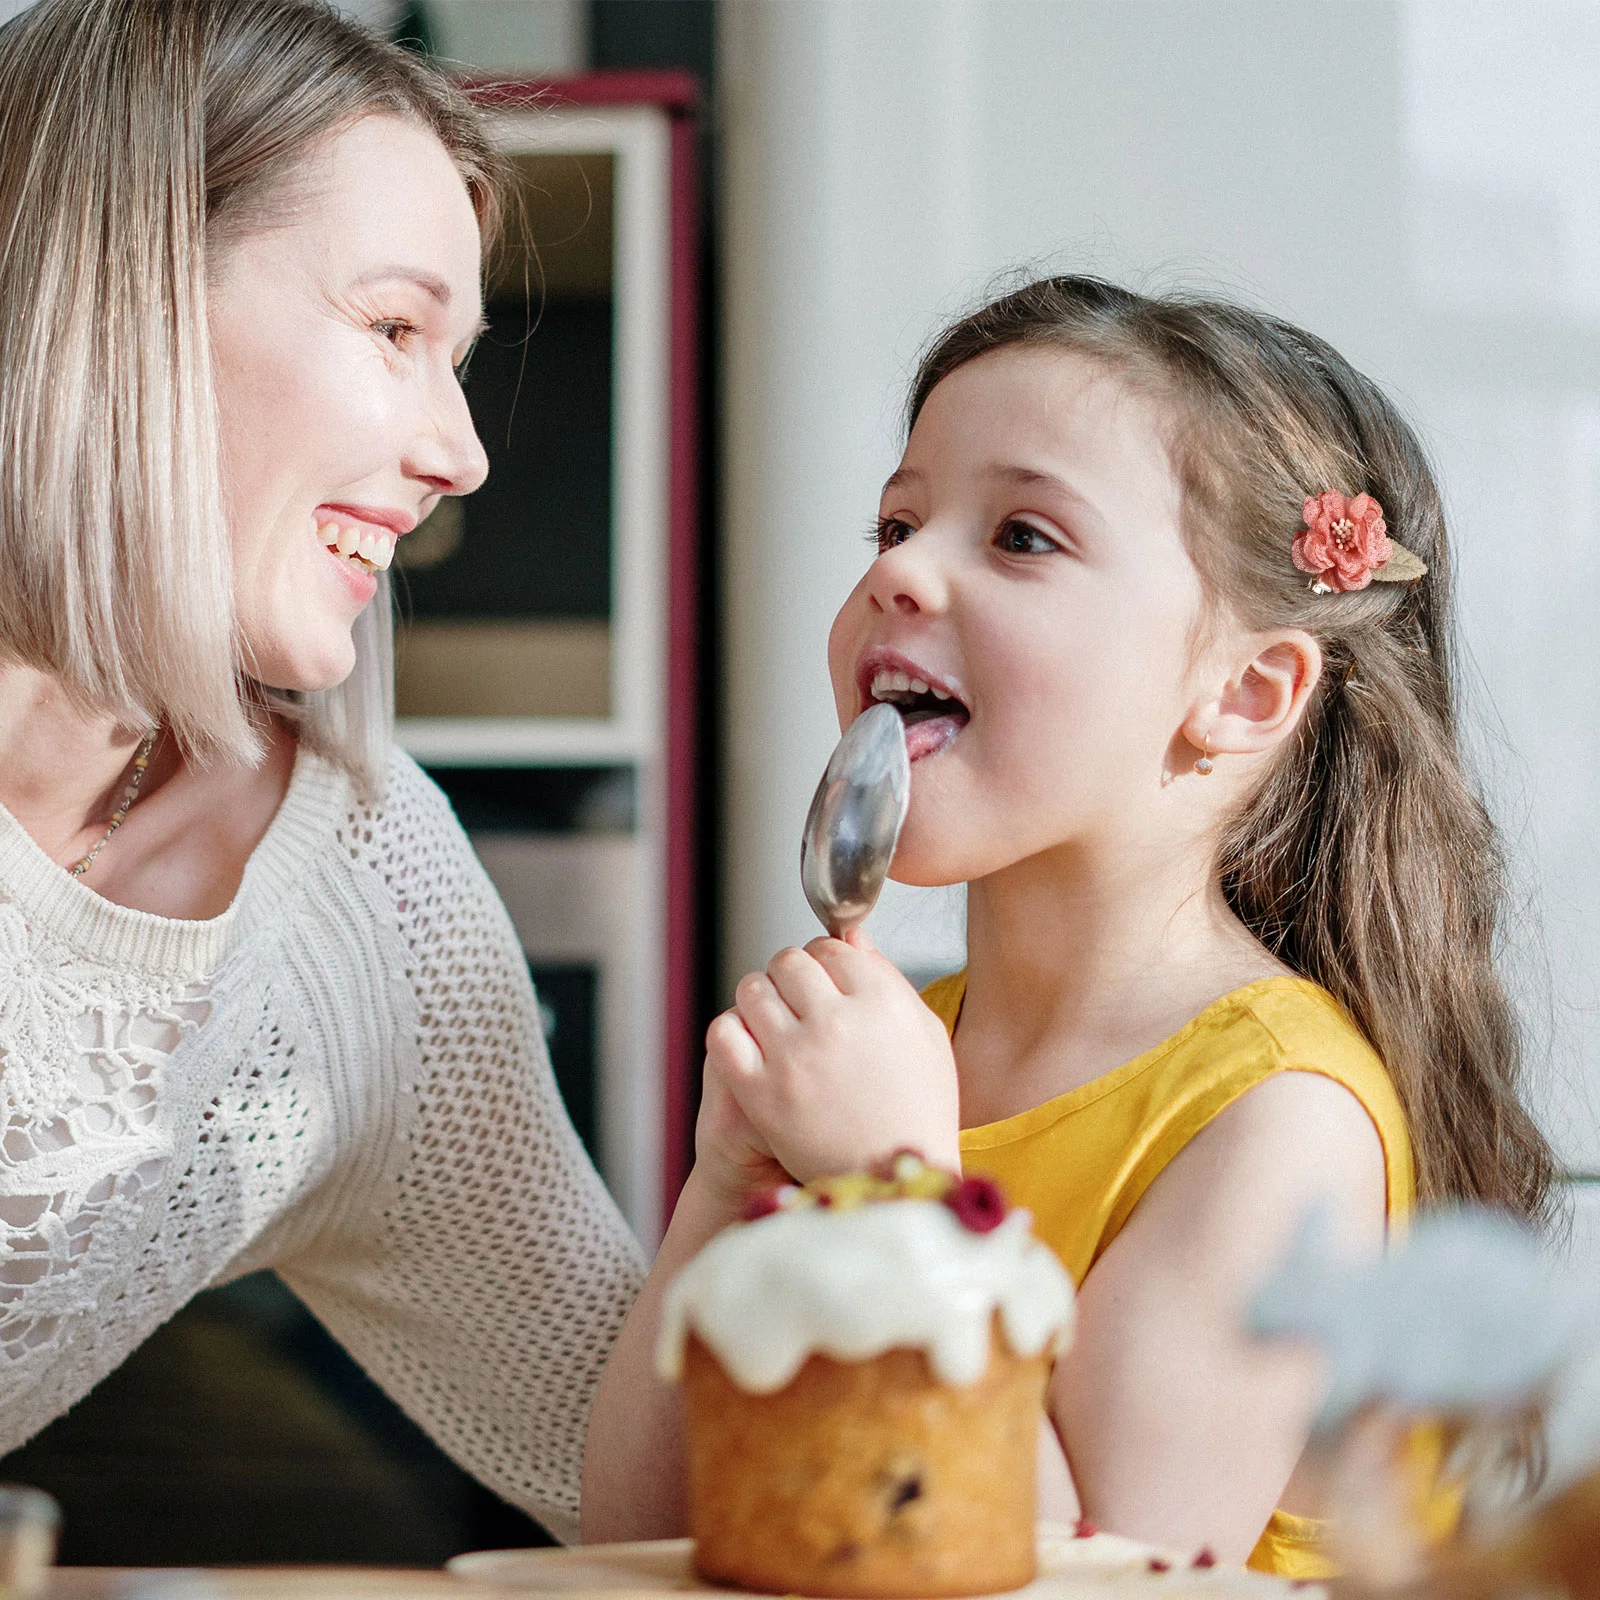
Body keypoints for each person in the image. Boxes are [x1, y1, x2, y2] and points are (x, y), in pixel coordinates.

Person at [584, 277, 1558, 1573]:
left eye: (1024, 537)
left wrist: (895, 1196)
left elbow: (1105, 1574)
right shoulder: (909, 1057)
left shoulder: (1279, 1117)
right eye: (895, 521)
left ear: (1247, 689)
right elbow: (636, 1537)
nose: (898, 572)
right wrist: (737, 1184)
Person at [0, 0, 646, 1546]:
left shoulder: (357, 898)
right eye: (394, 330)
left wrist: (809, 1170)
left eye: (459, 358)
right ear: (122, 290)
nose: (461, 452)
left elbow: (651, 1494)